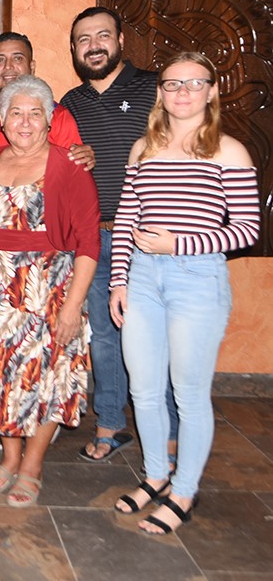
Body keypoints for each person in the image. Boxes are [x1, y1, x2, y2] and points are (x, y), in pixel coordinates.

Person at [109, 52, 259, 535]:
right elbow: (127, 221)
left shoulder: (229, 151)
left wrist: (180, 243)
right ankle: (156, 475)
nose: (183, 92)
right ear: (161, 92)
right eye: (173, 84)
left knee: (189, 395)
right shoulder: (142, 150)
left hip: (197, 279)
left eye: (195, 84)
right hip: (143, 280)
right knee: (144, 389)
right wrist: (118, 281)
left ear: (212, 91)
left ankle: (185, 490)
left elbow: (247, 232)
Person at [0, 75, 99, 507]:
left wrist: (73, 306)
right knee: (0, 378)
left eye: (34, 113)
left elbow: (89, 244)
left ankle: (32, 466)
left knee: (45, 381)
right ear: (1, 120)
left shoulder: (68, 166)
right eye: (15, 113)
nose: (24, 122)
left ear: (49, 119)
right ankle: (8, 459)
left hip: (47, 294)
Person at [60, 7, 176, 463]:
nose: (94, 46)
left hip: (150, 239)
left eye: (102, 35)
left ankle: (167, 428)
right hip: (95, 240)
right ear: (74, 50)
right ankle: (110, 423)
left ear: (121, 41)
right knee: (103, 336)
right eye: (83, 39)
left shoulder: (154, 88)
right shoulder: (70, 103)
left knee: (154, 335)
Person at [0, 32, 86, 158]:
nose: (8, 66)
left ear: (32, 67)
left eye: (18, 58)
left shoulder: (58, 116)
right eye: (0, 60)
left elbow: (72, 171)